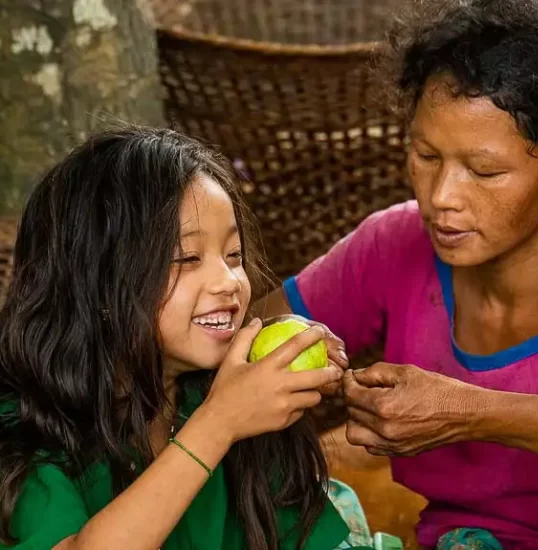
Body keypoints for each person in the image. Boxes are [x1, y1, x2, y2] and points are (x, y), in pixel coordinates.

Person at [254, 1, 538, 548]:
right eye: (425, 155)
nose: (442, 198)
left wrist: (470, 412)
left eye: (484, 171)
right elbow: (251, 334)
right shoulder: (395, 245)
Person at [0, 127, 373, 550]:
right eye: (187, 258)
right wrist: (217, 424)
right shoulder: (28, 430)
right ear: (96, 282)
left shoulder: (241, 406)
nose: (229, 281)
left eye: (234, 256)